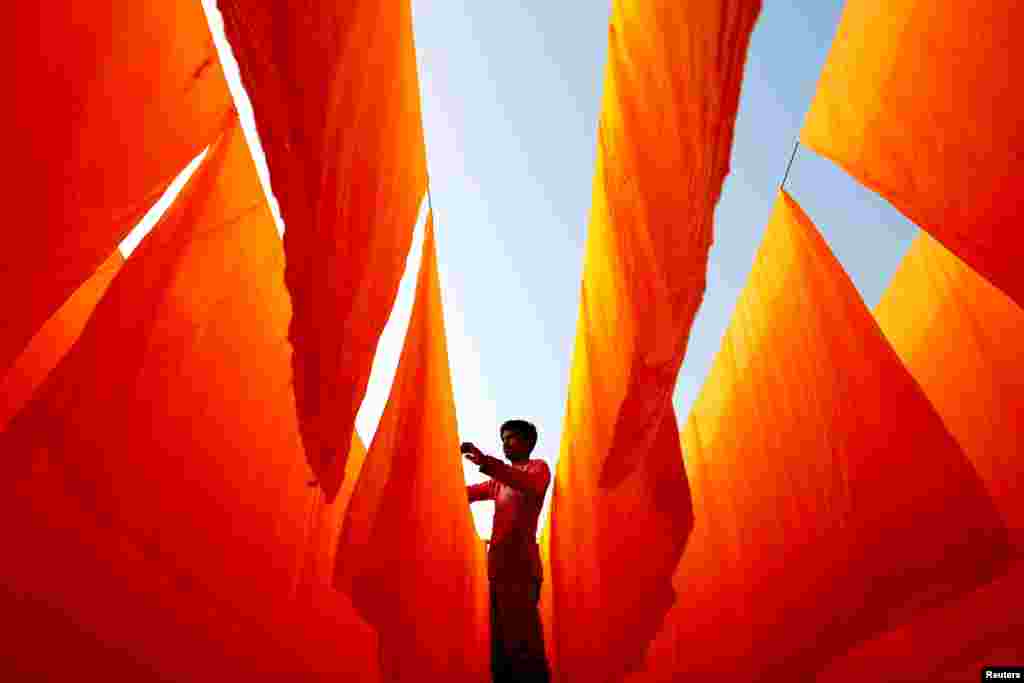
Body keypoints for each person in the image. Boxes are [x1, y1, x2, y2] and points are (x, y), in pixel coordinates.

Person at [464, 419, 552, 683]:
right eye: (503, 439)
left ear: (529, 442)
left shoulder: (537, 469)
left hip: (522, 569)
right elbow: (463, 492)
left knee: (524, 645)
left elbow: (527, 483)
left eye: (511, 437)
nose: (505, 443)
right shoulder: (498, 482)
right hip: (498, 570)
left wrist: (486, 462)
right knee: (500, 648)